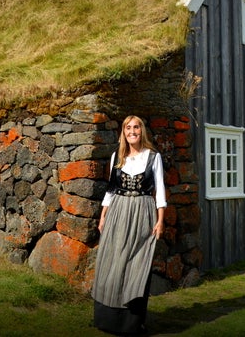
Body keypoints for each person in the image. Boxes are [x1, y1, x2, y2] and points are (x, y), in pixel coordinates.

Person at [91, 115, 167, 335]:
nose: (132, 131)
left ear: (142, 131)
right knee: (113, 260)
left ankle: (132, 322)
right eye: (128, 128)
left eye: (136, 127)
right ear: (123, 132)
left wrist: (160, 220)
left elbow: (159, 190)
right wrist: (103, 215)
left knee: (137, 263)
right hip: (118, 210)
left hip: (143, 210)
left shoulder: (154, 157)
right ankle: (108, 320)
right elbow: (111, 188)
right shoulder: (118, 156)